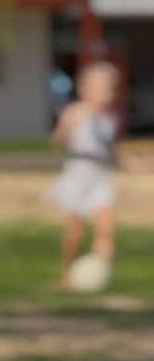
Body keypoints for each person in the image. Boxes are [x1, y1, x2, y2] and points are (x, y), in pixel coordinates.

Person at [48, 62, 126, 286]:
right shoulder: (75, 112)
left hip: (101, 176)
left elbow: (111, 153)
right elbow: (57, 141)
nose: (107, 93)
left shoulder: (111, 119)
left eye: (110, 88)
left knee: (106, 228)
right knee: (77, 231)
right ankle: (67, 272)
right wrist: (66, 130)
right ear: (84, 89)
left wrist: (136, 164)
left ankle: (97, 275)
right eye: (101, 87)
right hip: (78, 175)